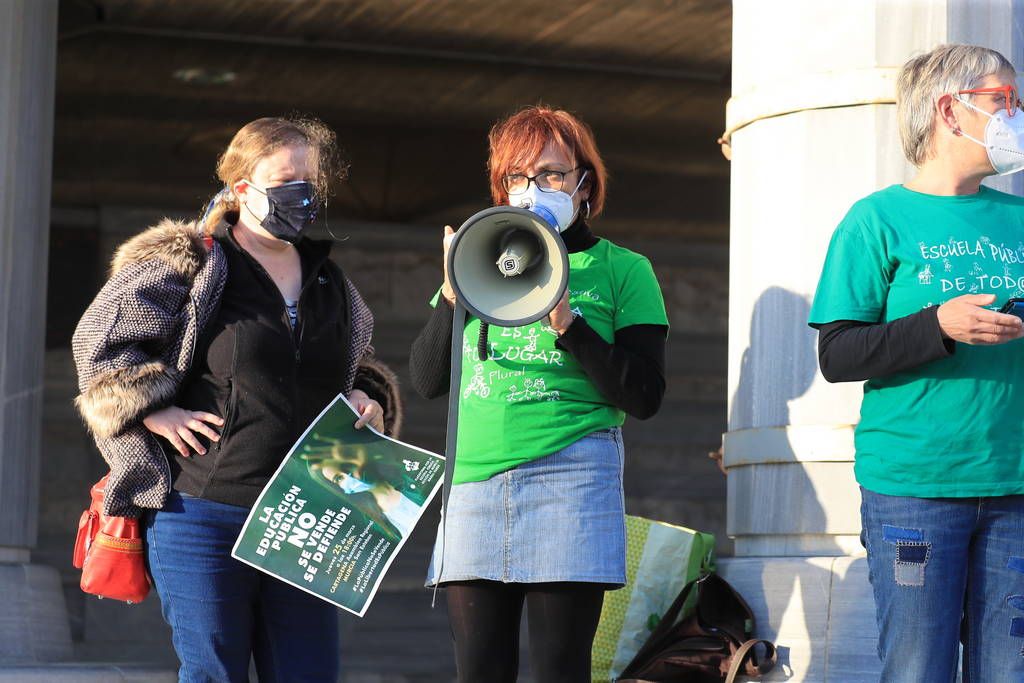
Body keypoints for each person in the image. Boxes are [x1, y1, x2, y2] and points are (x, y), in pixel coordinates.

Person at [72, 116, 401, 683]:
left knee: (308, 674)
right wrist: (150, 407)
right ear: (243, 188)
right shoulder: (189, 264)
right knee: (213, 673)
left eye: (310, 182)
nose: (302, 196)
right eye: (286, 181)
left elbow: (360, 361)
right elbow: (99, 344)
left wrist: (367, 395)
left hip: (308, 516)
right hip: (202, 511)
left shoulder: (330, 282)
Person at [409, 105, 669, 683]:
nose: (535, 188)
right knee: (479, 668)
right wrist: (452, 295)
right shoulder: (481, 256)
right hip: (475, 479)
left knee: (559, 667)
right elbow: (427, 381)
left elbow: (645, 394)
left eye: (552, 173)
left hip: (571, 475)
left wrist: (569, 326)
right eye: (519, 176)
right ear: (502, 187)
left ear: (583, 183)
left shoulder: (622, 269)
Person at [808, 44, 1024, 682]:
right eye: (1002, 101)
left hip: (1015, 484)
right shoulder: (874, 220)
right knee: (916, 670)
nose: (1014, 115)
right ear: (949, 110)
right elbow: (839, 353)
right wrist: (938, 325)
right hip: (915, 486)